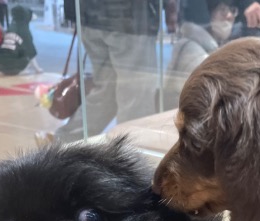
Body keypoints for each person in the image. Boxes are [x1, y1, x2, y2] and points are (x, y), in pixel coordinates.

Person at [36, 0, 178, 145]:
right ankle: (133, 150)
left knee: (106, 90)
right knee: (135, 94)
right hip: (130, 19)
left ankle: (63, 141)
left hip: (89, 16)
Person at [161, 0, 238, 110]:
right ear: (207, 14)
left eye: (232, 10)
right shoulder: (196, 54)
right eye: (222, 10)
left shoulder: (189, 43)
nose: (229, 16)